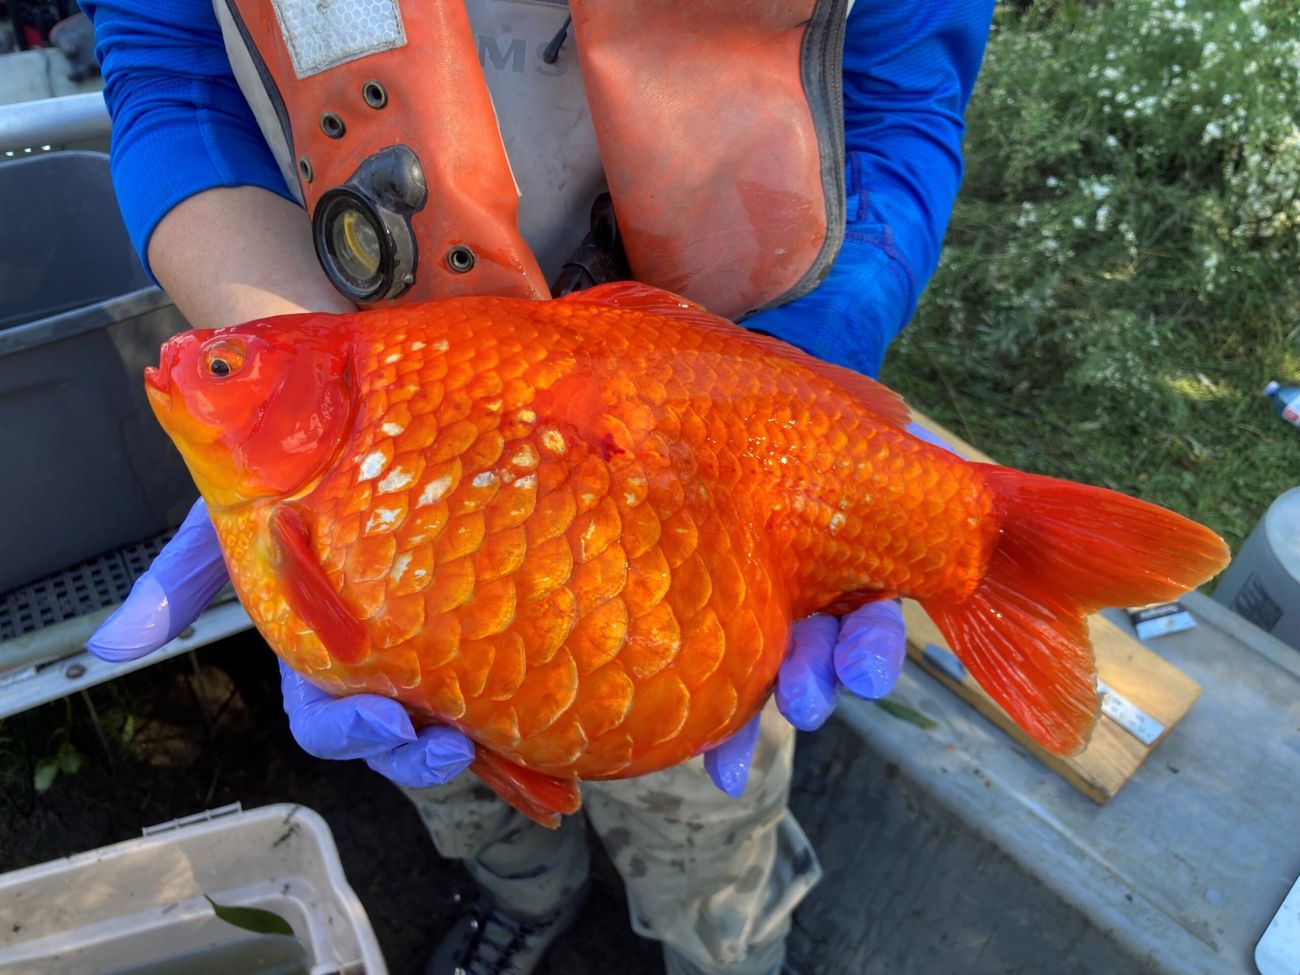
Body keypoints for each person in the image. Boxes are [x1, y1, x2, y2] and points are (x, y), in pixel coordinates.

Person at [79, 2, 994, 972]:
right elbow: (172, 65)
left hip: (704, 434)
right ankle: (524, 899)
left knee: (706, 812)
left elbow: (896, 109)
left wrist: (770, 407)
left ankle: (723, 946)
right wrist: (325, 400)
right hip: (397, 406)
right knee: (438, 748)